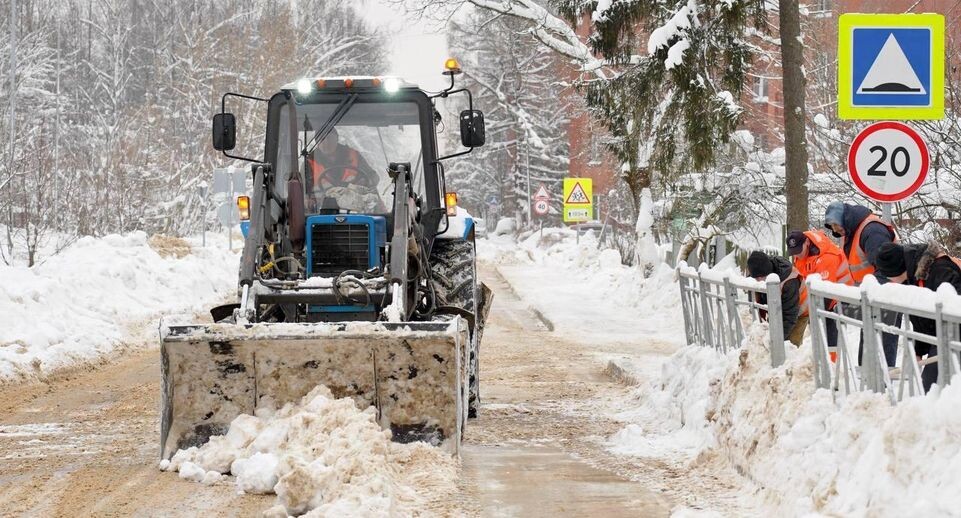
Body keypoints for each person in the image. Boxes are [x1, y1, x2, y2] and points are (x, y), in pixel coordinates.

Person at [874, 241, 961, 392]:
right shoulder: (913, 275)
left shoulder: (941, 271)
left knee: (934, 386)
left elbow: (954, 311)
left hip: (953, 334)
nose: (888, 281)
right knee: (931, 387)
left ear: (895, 271)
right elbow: (922, 319)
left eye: (888, 276)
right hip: (943, 336)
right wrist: (918, 350)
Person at [824, 202, 900, 366]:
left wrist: (866, 293)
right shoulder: (852, 233)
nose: (835, 230)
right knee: (868, 354)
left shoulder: (872, 231)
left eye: (836, 225)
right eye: (832, 227)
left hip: (886, 298)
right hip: (872, 299)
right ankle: (871, 385)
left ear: (845, 219)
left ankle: (881, 387)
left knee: (881, 355)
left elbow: (886, 268)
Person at [786, 229, 854, 351]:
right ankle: (822, 361)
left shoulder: (827, 257)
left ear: (806, 242)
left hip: (838, 298)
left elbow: (825, 293)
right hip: (819, 297)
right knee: (819, 337)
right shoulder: (801, 255)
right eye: (793, 252)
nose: (797, 255)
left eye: (798, 251)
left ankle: (832, 366)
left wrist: (808, 312)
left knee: (830, 337)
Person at [305, 127, 379, 206]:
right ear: (317, 142)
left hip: (355, 206)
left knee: (373, 198)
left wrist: (364, 183)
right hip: (322, 210)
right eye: (322, 139)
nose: (326, 142)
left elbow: (374, 177)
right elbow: (301, 191)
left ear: (337, 138)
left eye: (329, 138)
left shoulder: (354, 156)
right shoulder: (309, 163)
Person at [747, 250, 801, 345]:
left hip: (799, 311)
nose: (758, 281)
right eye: (756, 278)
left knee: (789, 347)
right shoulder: (759, 274)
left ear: (768, 272)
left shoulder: (789, 281)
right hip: (778, 308)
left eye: (760, 278)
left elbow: (790, 315)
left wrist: (776, 340)